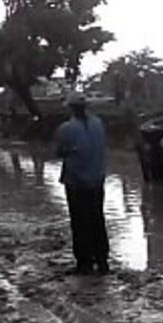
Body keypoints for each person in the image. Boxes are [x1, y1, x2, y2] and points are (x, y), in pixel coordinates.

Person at [55, 92, 110, 275]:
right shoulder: (98, 123)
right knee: (97, 219)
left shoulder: (66, 128)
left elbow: (58, 152)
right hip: (97, 178)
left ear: (70, 108)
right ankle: (102, 260)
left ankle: (84, 263)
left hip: (76, 181)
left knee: (79, 222)